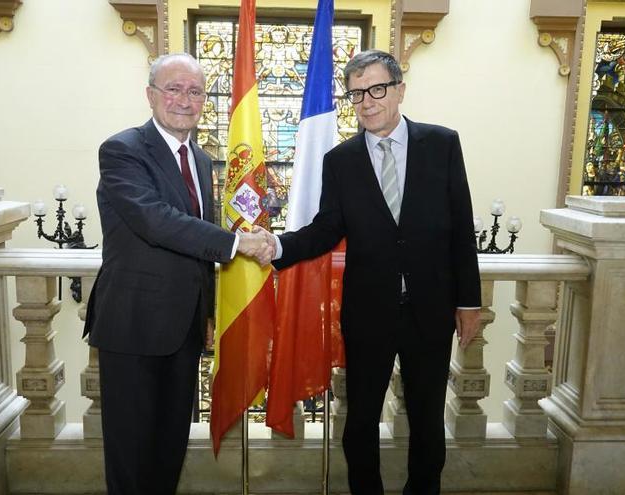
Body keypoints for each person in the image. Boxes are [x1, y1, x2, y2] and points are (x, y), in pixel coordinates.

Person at [265, 50, 481, 494]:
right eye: (357, 93)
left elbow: (462, 226)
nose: (367, 101)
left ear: (400, 90)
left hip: (430, 311)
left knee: (426, 419)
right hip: (368, 314)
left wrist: (469, 302)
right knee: (359, 422)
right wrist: (278, 245)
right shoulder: (340, 161)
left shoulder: (441, 144)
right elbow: (327, 229)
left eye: (377, 89)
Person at [82, 53, 273, 495]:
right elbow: (156, 221)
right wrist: (237, 242)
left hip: (183, 329)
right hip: (132, 327)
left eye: (194, 91)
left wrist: (205, 313)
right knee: (132, 453)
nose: (185, 100)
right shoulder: (122, 150)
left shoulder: (202, 161)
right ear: (151, 95)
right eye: (173, 89)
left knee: (170, 447)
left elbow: (194, 250)